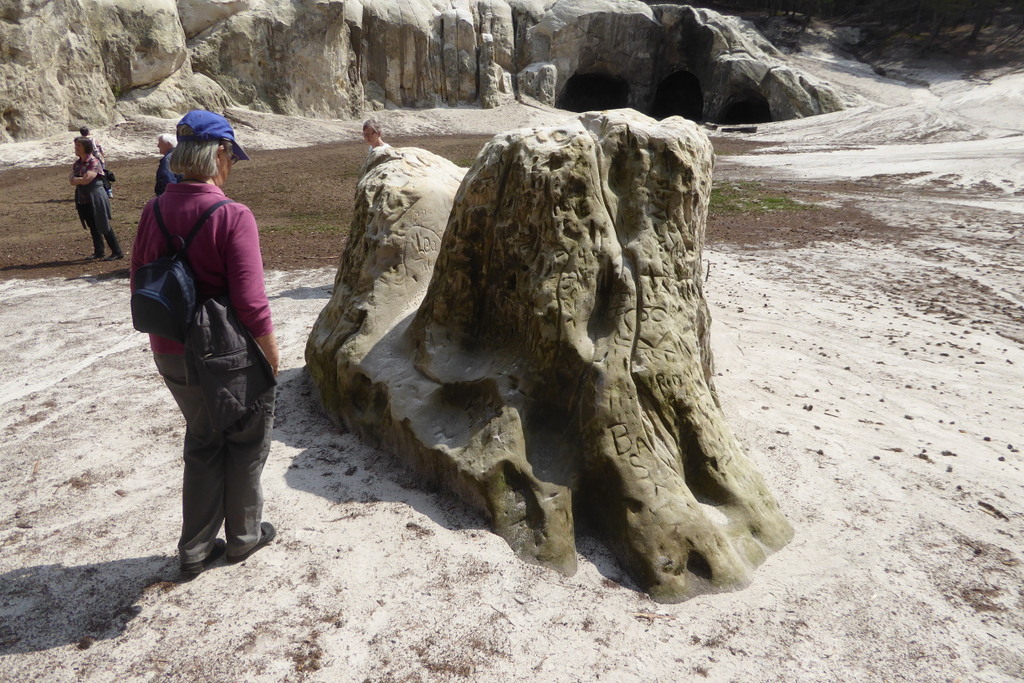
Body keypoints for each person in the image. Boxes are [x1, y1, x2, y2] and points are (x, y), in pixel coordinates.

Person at [130, 110, 280, 576]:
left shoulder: (151, 211)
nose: (232, 163)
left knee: (202, 439)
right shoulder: (233, 215)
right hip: (225, 352)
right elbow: (252, 304)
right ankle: (244, 536)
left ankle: (195, 549)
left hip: (168, 348)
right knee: (246, 438)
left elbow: (137, 280)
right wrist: (272, 358)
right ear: (218, 153)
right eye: (231, 154)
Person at [70, 136, 123, 260]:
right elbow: (73, 180)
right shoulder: (78, 163)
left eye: (79, 146)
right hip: (84, 198)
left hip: (96, 197)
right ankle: (99, 251)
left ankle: (117, 251)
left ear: (85, 147)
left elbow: (86, 179)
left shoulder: (94, 161)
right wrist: (79, 180)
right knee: (92, 225)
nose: (76, 148)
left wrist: (78, 179)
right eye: (76, 145)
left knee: (103, 223)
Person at [79, 126, 113, 198]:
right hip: (97, 158)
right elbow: (100, 148)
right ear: (88, 132)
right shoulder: (93, 139)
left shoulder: (81, 141)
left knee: (88, 175)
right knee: (102, 175)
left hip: (86, 160)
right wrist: (102, 156)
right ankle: (109, 191)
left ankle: (89, 193)